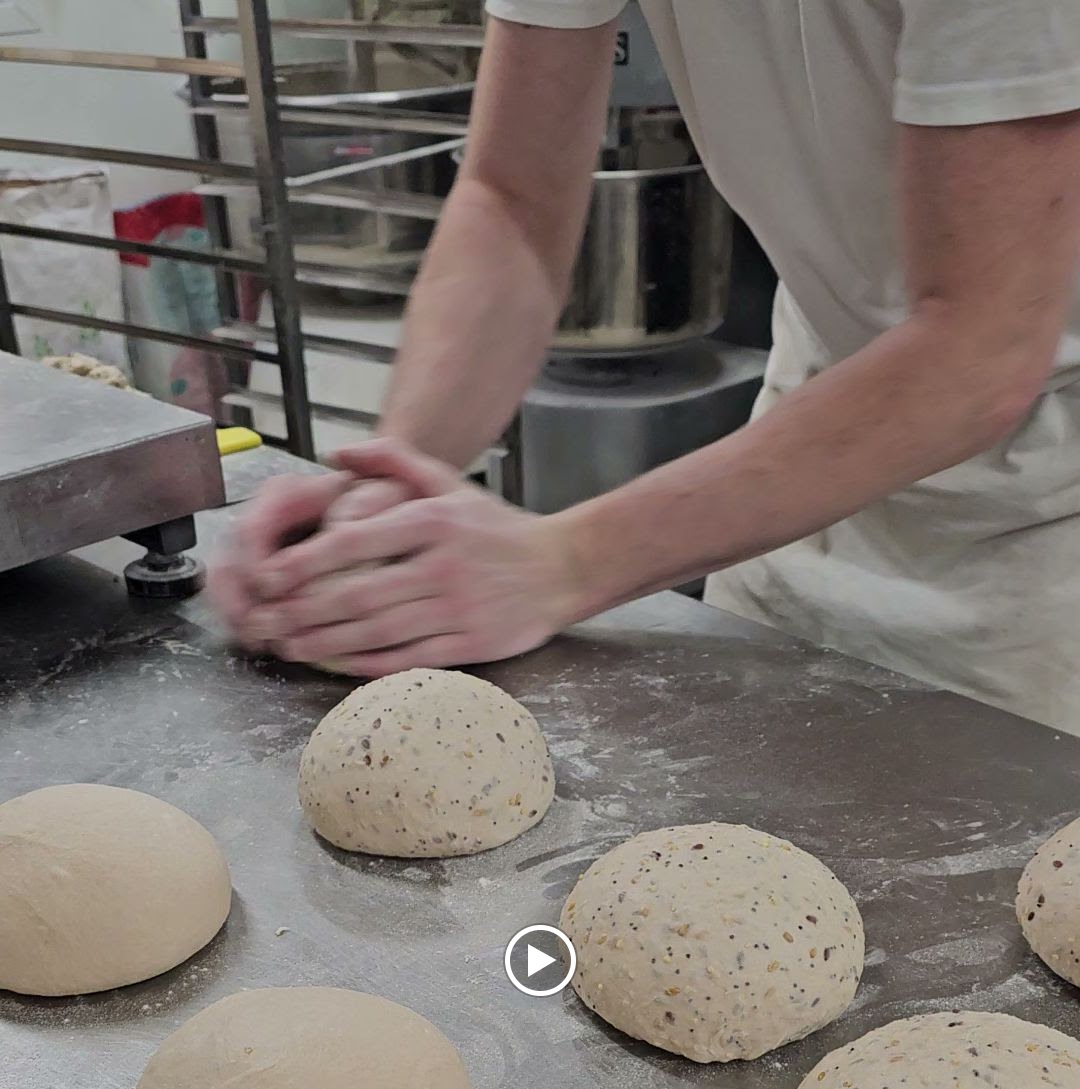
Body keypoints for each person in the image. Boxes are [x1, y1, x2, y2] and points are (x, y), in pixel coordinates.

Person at [212, 1, 1080, 732]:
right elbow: (513, 202)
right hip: (821, 445)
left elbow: (983, 347)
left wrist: (561, 564)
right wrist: (388, 495)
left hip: (1050, 519)